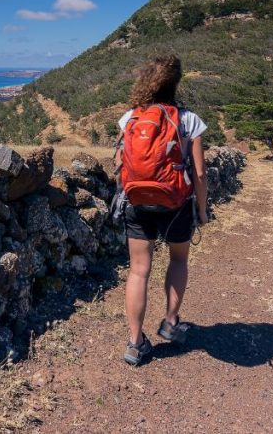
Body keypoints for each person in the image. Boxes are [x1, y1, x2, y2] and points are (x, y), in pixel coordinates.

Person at [117, 54, 208, 366]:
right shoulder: (188, 120)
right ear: (176, 83)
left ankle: (134, 343)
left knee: (138, 270)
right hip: (177, 203)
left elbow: (119, 162)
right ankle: (170, 321)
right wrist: (203, 210)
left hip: (137, 201)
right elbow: (199, 173)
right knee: (178, 259)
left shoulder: (130, 117)